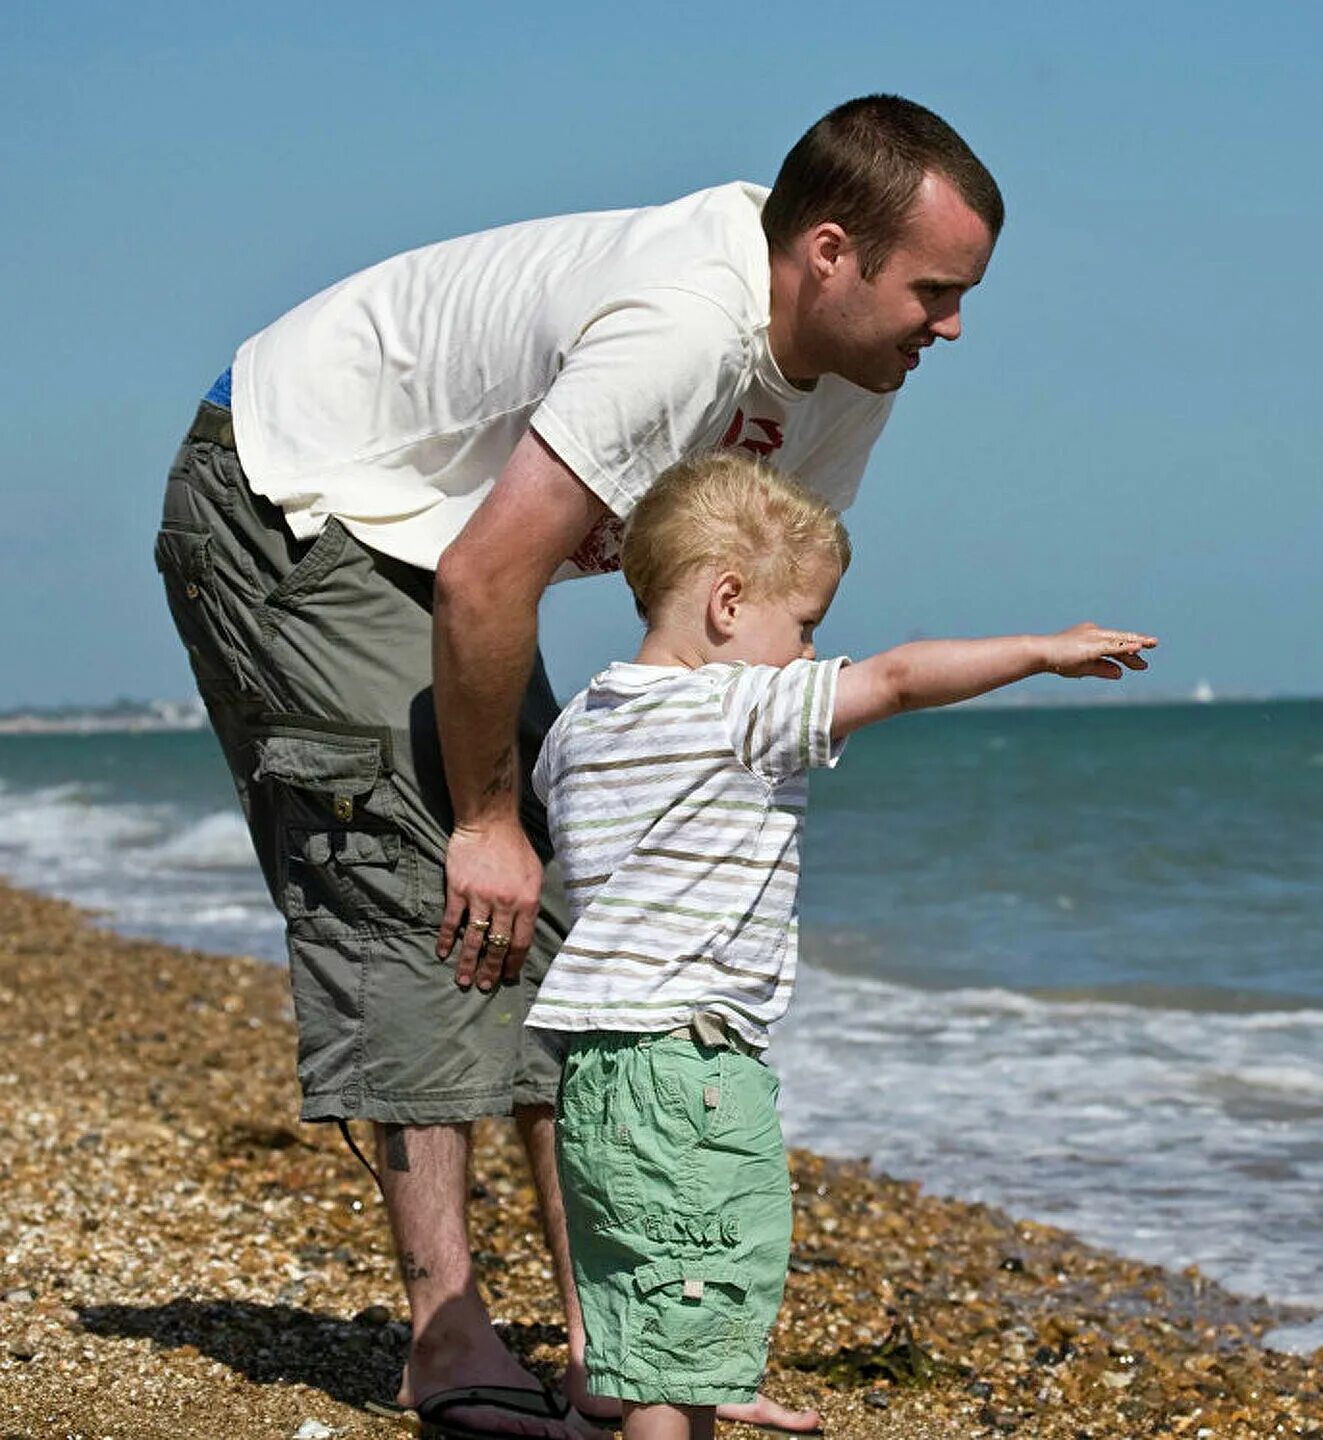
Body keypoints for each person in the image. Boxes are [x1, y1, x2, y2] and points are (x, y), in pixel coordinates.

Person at [153, 96, 1002, 1440]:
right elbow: (495, 573)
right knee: (428, 881)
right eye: (936, 291)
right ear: (830, 253)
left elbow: (745, 621)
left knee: (582, 928)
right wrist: (490, 815)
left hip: (456, 560)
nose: (951, 327)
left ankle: (628, 1344)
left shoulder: (847, 383)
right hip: (308, 490)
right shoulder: (683, 322)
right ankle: (446, 1333)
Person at [526, 453, 1154, 1440]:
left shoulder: (575, 729)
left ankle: (605, 1410)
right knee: (696, 1296)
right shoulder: (736, 710)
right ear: (727, 602)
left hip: (596, 1068)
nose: (816, 651)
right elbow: (898, 679)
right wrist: (1041, 649)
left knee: (651, 1290)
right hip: (687, 1063)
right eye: (806, 625)